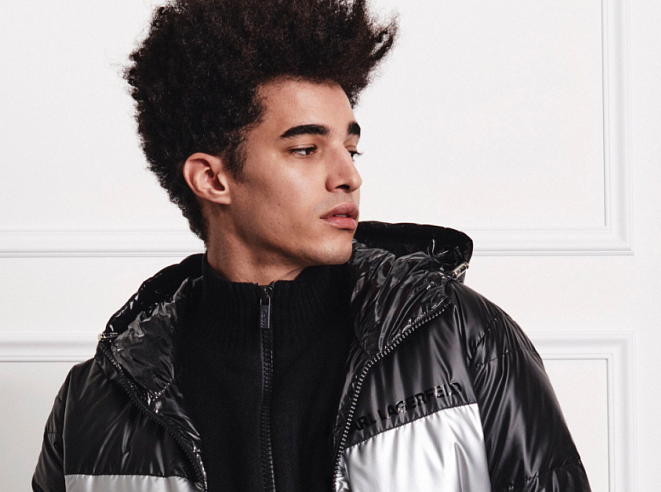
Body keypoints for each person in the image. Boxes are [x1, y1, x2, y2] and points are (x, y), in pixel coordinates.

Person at [32, 0, 592, 491]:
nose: (348, 176)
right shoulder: (95, 401)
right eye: (305, 149)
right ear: (212, 179)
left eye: (351, 148)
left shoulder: (464, 339)